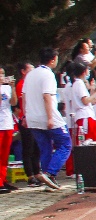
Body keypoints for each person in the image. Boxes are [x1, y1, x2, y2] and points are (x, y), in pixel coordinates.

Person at [23, 47, 71, 190]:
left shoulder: (30, 75)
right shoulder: (48, 75)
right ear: (53, 60)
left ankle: (47, 178)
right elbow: (47, 96)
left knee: (45, 148)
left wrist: (25, 115)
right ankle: (50, 173)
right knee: (65, 143)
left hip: (33, 117)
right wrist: (50, 118)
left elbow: (24, 96)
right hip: (47, 116)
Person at [0, 68, 14, 194]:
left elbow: (13, 102)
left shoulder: (6, 88)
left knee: (5, 155)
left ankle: (3, 179)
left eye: (3, 74)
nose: (2, 76)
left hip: (7, 123)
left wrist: (12, 88)